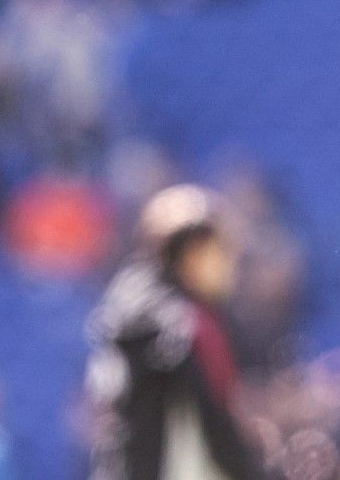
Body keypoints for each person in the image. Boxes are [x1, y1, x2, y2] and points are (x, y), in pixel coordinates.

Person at [84, 184, 263, 479]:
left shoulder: (127, 312)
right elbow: (217, 429)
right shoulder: (187, 323)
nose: (231, 267)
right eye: (224, 251)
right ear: (195, 252)